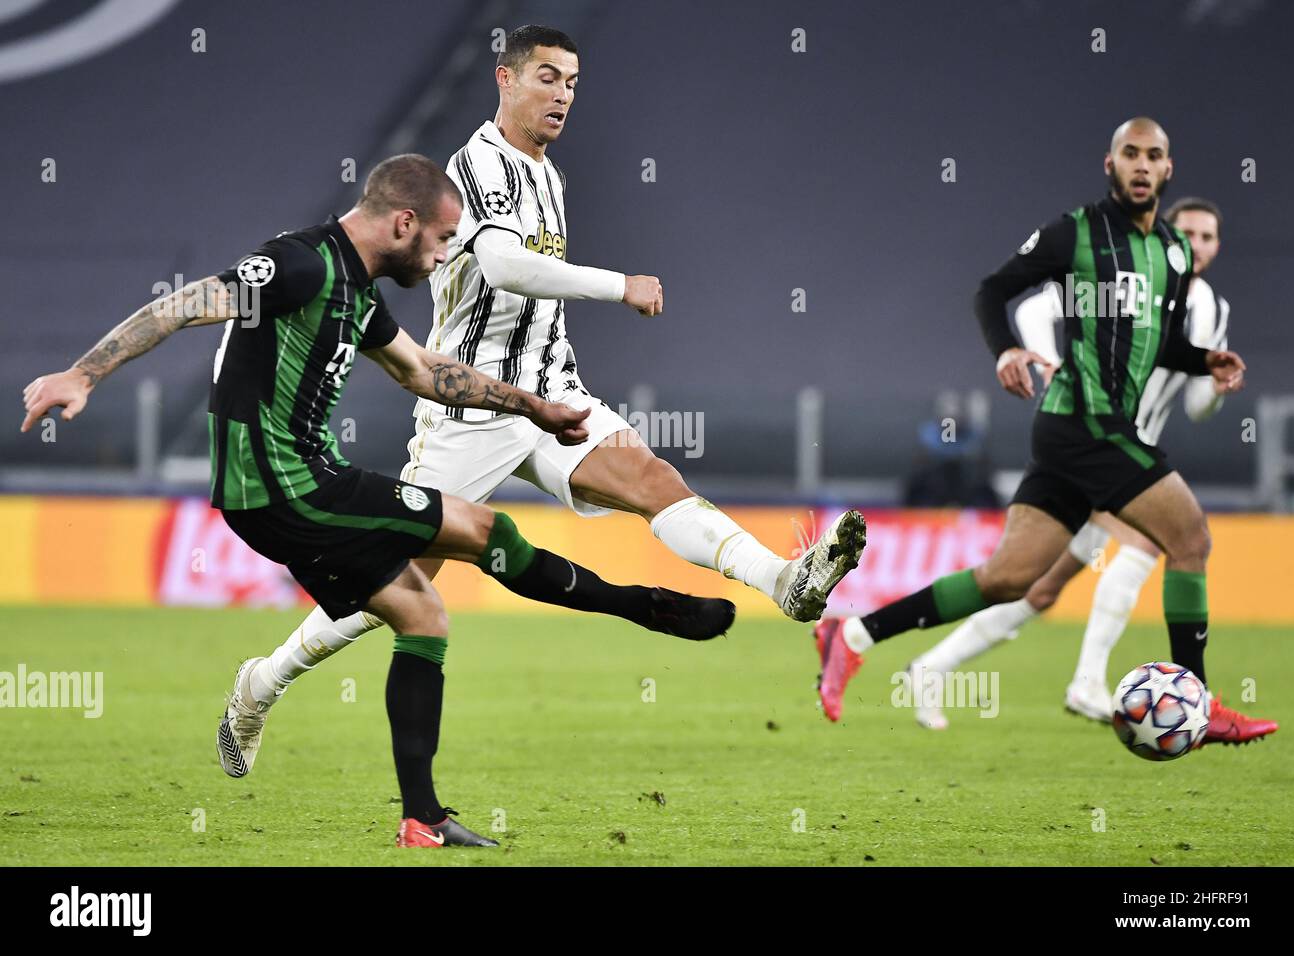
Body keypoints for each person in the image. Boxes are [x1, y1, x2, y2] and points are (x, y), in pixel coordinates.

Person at [20, 153, 736, 849]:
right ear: (403, 224)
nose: (443, 258)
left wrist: (533, 407)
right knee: (490, 532)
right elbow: (185, 303)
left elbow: (423, 371)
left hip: (301, 482)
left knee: (422, 612)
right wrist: (83, 374)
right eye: (443, 240)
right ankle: (644, 607)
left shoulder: (358, 295)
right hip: (280, 483)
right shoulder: (300, 263)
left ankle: (420, 818)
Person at [231, 24, 865, 757]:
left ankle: (785, 582)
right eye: (546, 78)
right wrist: (618, 285)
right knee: (398, 586)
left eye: (570, 82)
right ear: (505, 79)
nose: (562, 93)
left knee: (653, 479)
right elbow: (501, 265)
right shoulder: (477, 165)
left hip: (555, 394)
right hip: (472, 405)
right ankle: (264, 681)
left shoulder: (549, 175)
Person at [812, 118, 1276, 747]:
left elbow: (1162, 341)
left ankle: (852, 633)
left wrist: (1203, 361)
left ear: (1169, 169)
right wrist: (1007, 350)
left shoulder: (1169, 251)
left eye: (1154, 156)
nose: (1141, 165)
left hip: (1079, 436)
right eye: (1129, 154)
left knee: (1009, 577)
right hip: (1086, 425)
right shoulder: (1076, 234)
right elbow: (993, 290)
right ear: (1109, 165)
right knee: (1190, 536)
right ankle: (1197, 700)